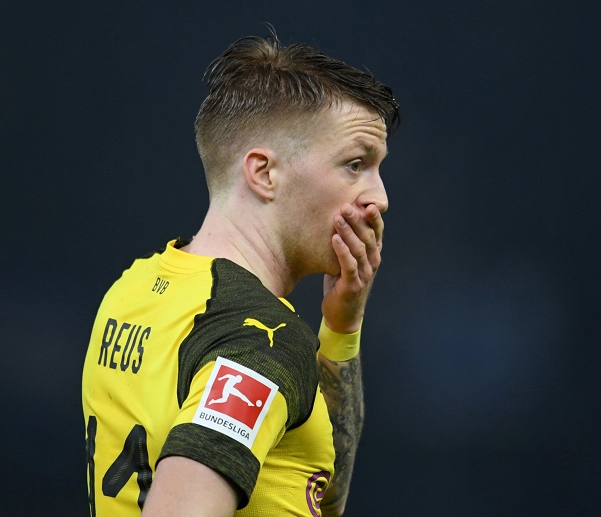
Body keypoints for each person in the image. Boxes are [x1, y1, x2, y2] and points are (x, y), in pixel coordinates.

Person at [81, 29, 399, 517]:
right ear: (264, 173)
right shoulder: (260, 341)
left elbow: (319, 489)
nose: (380, 198)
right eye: (355, 164)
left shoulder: (134, 287)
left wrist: (342, 328)